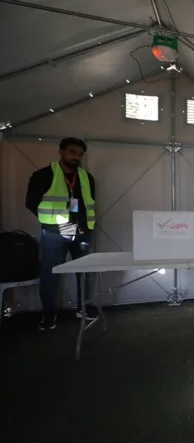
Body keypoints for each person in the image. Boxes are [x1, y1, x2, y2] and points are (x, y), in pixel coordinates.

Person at [25, 137, 97, 331]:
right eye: (73, 152)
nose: (77, 157)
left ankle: (84, 307)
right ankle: (49, 312)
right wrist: (52, 221)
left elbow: (90, 202)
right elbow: (31, 203)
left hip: (82, 232)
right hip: (54, 233)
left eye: (80, 154)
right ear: (61, 152)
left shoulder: (86, 177)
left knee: (86, 271)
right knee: (50, 273)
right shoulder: (43, 175)